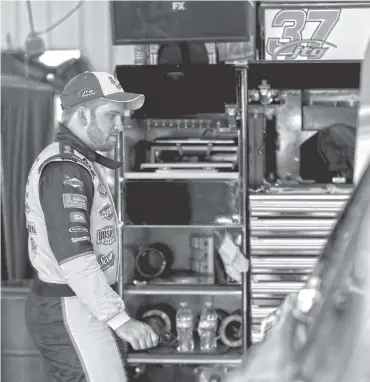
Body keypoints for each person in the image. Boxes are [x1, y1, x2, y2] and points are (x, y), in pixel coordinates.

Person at [24, 71, 159, 382]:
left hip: (80, 304)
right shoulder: (64, 168)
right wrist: (119, 319)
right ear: (83, 115)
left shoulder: (77, 162)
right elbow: (75, 256)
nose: (120, 125)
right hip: (69, 306)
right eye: (112, 115)